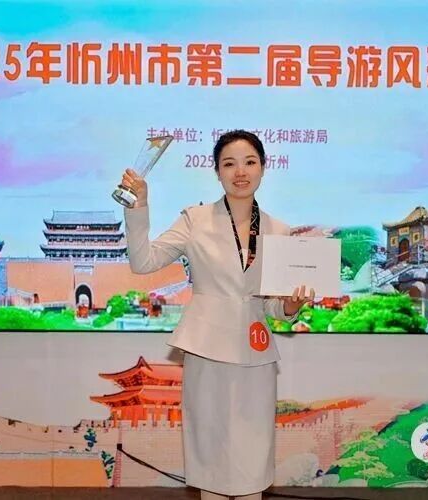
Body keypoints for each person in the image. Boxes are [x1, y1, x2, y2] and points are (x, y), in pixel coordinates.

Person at [121, 129, 313, 500]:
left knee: (252, 450)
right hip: (206, 348)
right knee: (210, 448)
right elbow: (143, 262)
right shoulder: (195, 219)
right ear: (217, 172)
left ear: (263, 167)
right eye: (229, 164)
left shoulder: (279, 230)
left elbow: (270, 305)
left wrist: (290, 307)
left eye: (250, 162)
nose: (240, 172)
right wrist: (137, 206)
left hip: (255, 352)